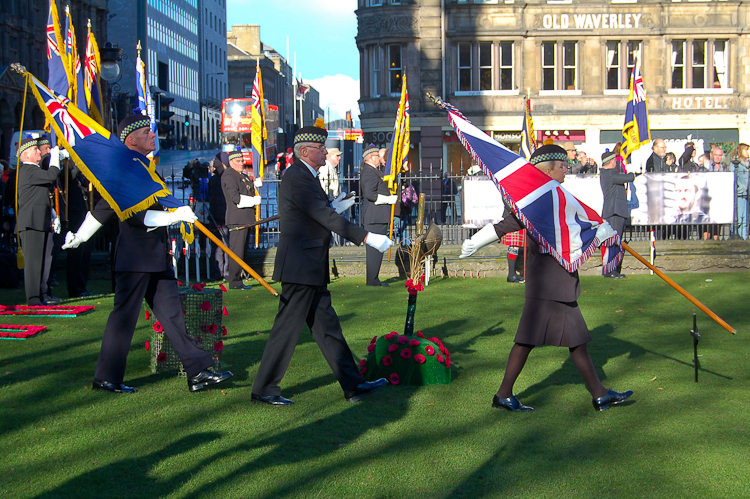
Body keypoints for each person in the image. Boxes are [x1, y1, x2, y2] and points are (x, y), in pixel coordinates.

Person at [62, 114, 232, 393]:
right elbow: (136, 217)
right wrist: (174, 216)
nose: (153, 136)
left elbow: (104, 208)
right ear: (130, 140)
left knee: (172, 315)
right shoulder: (127, 169)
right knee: (123, 318)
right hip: (135, 257)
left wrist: (81, 236)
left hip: (154, 256)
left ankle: (197, 371)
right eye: (145, 132)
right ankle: (107, 377)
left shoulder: (141, 167)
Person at [460, 144, 633, 412]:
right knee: (535, 340)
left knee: (570, 341)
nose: (566, 170)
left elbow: (577, 225)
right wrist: (476, 241)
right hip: (548, 283)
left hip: (556, 281)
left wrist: (600, 230)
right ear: (548, 169)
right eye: (562, 166)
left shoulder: (557, 196)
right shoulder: (535, 199)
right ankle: (507, 394)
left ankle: (597, 394)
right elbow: (508, 224)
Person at [251, 123, 391, 406]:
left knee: (327, 328)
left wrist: (334, 207)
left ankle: (353, 384)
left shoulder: (305, 175)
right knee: (286, 330)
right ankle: (264, 389)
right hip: (301, 267)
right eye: (320, 148)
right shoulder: (298, 177)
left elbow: (317, 213)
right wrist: (366, 236)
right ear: (304, 151)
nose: (325, 152)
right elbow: (322, 216)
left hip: (308, 265)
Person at [16, 138, 61, 305]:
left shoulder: (32, 170)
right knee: (34, 263)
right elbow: (51, 174)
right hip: (31, 223)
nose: (39, 152)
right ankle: (34, 299)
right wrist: (55, 157)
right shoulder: (28, 169)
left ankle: (40, 296)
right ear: (26, 155)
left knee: (40, 261)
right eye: (35, 149)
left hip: (38, 221)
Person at [221, 150, 261, 290]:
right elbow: (236, 198)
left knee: (242, 250)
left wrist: (255, 185)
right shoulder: (229, 175)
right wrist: (253, 201)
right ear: (231, 163)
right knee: (237, 252)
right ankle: (235, 282)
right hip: (237, 219)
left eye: (242, 161)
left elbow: (247, 189)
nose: (242, 163)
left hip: (245, 218)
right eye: (238, 161)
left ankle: (238, 280)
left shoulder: (240, 175)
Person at [360, 144, 396, 286]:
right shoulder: (369, 172)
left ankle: (374, 279)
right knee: (375, 249)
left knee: (377, 249)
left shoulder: (374, 171)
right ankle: (372, 280)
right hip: (374, 217)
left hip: (378, 216)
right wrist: (388, 199)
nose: (379, 158)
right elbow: (369, 194)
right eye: (377, 156)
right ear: (370, 157)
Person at [600, 150, 636, 278]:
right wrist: (632, 170)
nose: (617, 162)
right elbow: (629, 177)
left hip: (615, 211)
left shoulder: (609, 173)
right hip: (614, 211)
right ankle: (611, 270)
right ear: (610, 162)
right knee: (613, 242)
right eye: (615, 160)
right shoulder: (609, 174)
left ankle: (612, 269)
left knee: (615, 241)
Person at [208, 153, 229, 281]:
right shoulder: (217, 179)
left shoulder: (217, 179)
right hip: (219, 217)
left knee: (221, 247)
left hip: (219, 217)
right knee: (220, 248)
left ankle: (221, 272)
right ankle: (221, 272)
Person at [730, 144, 749, 240]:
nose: (748, 152)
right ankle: (737, 238)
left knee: (746, 220)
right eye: (746, 150)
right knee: (738, 219)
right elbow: (732, 179)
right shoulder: (736, 164)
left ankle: (744, 238)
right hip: (739, 195)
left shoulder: (747, 165)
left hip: (746, 195)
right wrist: (740, 188)